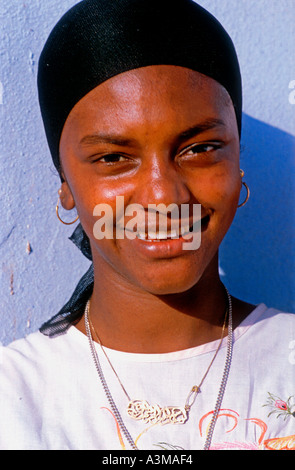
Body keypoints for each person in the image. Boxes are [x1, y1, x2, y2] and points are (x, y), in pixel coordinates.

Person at [0, 0, 294, 451]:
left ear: (238, 164)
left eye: (200, 148)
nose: (163, 195)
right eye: (114, 158)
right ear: (66, 186)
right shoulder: (14, 398)